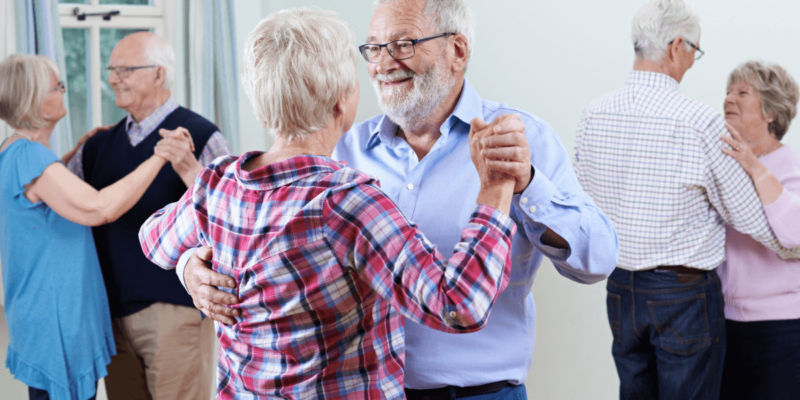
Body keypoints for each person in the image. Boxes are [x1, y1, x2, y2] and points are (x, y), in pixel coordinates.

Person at [179, 0, 619, 398]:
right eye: (373, 48)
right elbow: (249, 232)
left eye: (403, 44)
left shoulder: (520, 141)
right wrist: (193, 267)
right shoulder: (339, 150)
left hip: (479, 393)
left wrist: (527, 185)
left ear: (458, 51)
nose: (383, 63)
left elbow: (597, 259)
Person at [573, 1, 800, 399]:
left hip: (621, 288)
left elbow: (584, 203)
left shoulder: (594, 114)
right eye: (695, 49)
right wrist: (787, 245)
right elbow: (753, 218)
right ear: (677, 46)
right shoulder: (698, 122)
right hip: (682, 294)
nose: (694, 60)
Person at [63, 32, 232, 400]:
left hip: (175, 312)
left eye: (125, 69)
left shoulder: (203, 136)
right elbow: (56, 198)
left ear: (158, 74)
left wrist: (187, 167)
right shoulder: (97, 144)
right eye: (111, 70)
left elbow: (230, 218)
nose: (112, 78)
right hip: (110, 314)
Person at [0, 54, 170, 400]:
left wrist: (76, 150)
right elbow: (100, 207)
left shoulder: (14, 152)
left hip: (40, 309)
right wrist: (160, 156)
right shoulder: (31, 157)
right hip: (57, 315)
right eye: (58, 86)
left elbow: (42, 197)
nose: (64, 91)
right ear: (35, 98)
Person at [716, 61, 800, 400]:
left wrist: (754, 165)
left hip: (781, 328)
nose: (728, 99)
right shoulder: (724, 163)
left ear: (770, 111)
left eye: (742, 92)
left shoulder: (790, 164)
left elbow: (795, 233)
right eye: (727, 92)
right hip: (724, 322)